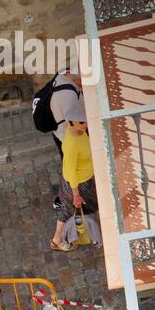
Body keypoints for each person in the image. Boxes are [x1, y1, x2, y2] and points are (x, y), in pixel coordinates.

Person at [51, 98, 99, 253]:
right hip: (77, 183)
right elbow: (71, 170)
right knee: (68, 210)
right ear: (72, 122)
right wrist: (76, 194)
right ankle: (57, 240)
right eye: (82, 122)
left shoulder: (78, 131)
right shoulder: (72, 143)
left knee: (72, 209)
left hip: (84, 179)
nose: (86, 124)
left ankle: (61, 238)